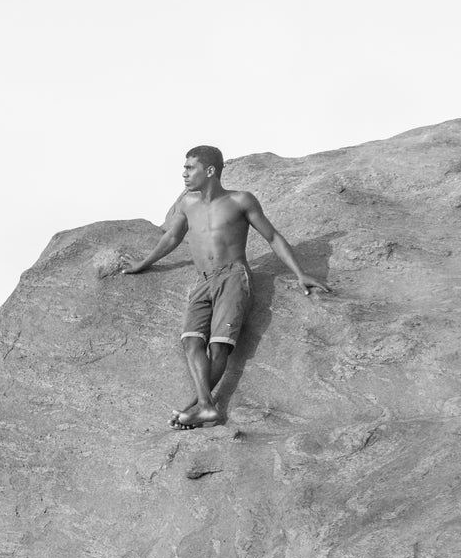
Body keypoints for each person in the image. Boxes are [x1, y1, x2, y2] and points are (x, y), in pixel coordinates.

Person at [124, 145, 331, 428]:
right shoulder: (187, 203)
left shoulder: (240, 200)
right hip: (203, 280)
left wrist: (300, 273)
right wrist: (143, 263)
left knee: (219, 347)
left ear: (209, 171)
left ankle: (200, 408)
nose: (183, 173)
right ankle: (206, 406)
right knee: (190, 340)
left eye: (189, 168)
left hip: (233, 276)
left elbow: (272, 237)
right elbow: (172, 238)